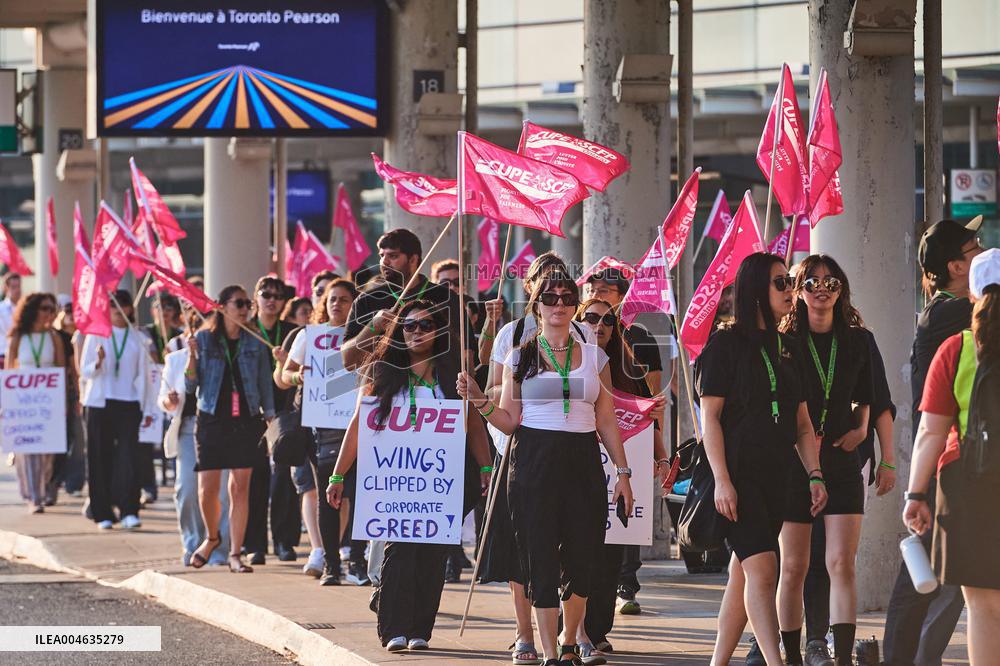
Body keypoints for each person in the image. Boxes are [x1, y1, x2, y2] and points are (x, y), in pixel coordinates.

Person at [457, 271, 635, 666]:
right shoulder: (520, 356)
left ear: (575, 305)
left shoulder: (595, 355)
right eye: (550, 298)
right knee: (538, 554)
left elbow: (606, 419)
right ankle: (550, 651)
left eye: (567, 298)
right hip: (533, 457)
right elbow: (509, 421)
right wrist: (478, 401)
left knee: (583, 552)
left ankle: (572, 640)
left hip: (583, 458)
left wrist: (623, 474)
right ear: (536, 305)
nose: (559, 304)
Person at [327, 299, 492, 652]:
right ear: (399, 331)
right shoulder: (382, 371)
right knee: (399, 551)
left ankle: (420, 630)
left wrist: (486, 466)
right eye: (409, 326)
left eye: (425, 325)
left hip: (441, 483)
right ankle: (393, 630)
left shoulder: (455, 376)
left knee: (433, 555)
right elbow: (358, 426)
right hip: (397, 484)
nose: (417, 332)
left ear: (438, 331)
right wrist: (337, 476)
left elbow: (474, 425)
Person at [696, 253, 827, 666]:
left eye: (790, 281)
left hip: (780, 475)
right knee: (764, 570)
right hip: (738, 475)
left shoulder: (790, 347)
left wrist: (815, 474)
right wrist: (722, 479)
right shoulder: (725, 344)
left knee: (745, 572)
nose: (790, 290)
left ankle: (718, 662)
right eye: (781, 282)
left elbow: (803, 424)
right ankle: (777, 661)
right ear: (755, 289)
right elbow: (710, 419)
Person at [474, 252, 594, 665]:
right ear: (532, 291)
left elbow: (598, 392)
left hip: (576, 453)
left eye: (565, 288)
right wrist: (494, 406)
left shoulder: (584, 335)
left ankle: (574, 636)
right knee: (524, 546)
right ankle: (525, 633)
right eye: (546, 285)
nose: (557, 297)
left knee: (580, 544)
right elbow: (494, 389)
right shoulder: (512, 334)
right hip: (523, 449)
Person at [883, 217, 984, 665]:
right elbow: (931, 422)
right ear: (956, 267)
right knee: (923, 580)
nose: (981, 250)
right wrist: (917, 490)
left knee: (953, 586)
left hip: (958, 463)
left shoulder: (952, 311)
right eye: (974, 247)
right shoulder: (952, 315)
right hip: (951, 465)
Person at [776, 255, 874, 666]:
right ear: (798, 290)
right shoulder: (785, 342)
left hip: (840, 458)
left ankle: (843, 654)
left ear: (841, 289)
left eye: (830, 281)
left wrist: (862, 427)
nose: (821, 287)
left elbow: (870, 392)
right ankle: (792, 654)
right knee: (794, 566)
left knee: (840, 563)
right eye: (811, 281)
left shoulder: (857, 339)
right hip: (795, 462)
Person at [904, 249, 1000, 666]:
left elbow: (931, 432)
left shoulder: (956, 349)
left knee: (982, 609)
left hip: (966, 486)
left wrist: (914, 494)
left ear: (973, 295)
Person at [574, 297, 669, 662]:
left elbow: (647, 418)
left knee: (610, 556)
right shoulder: (563, 364)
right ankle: (576, 630)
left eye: (607, 320)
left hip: (621, 477)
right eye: (591, 318)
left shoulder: (628, 369)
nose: (599, 326)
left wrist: (661, 455)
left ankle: (597, 631)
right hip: (576, 471)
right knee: (579, 552)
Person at [585, 266, 676, 616]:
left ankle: (626, 585)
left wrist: (659, 454)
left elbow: (650, 402)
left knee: (625, 518)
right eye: (593, 288)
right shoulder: (569, 347)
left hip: (628, 447)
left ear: (621, 297)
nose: (599, 293)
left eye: (607, 290)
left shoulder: (639, 341)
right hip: (584, 453)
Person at [185, 285, 275, 573]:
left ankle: (236, 553)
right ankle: (212, 537)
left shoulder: (255, 341)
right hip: (211, 418)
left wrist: (270, 419)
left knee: (240, 487)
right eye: (239, 303)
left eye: (247, 303)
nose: (245, 308)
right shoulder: (204, 339)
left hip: (246, 419)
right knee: (206, 488)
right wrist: (191, 358)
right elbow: (190, 385)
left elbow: (264, 384)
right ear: (222, 307)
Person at [278, 278, 361, 585]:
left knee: (355, 495)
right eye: (331, 299)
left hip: (356, 426)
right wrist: (297, 376)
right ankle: (331, 565)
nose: (336, 304)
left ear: (355, 304)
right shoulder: (308, 337)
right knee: (328, 496)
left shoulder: (365, 338)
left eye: (343, 299)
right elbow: (283, 376)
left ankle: (355, 560)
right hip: (321, 429)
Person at [80, 290, 157, 530]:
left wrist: (147, 407)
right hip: (100, 403)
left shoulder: (137, 337)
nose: (119, 311)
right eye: (114, 307)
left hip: (129, 403)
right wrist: (98, 363)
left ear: (131, 308)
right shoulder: (96, 333)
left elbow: (145, 374)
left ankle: (129, 510)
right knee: (99, 457)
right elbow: (85, 371)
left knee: (129, 458)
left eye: (123, 306)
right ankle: (102, 512)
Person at [159, 340, 230, 567]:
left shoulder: (224, 353)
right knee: (187, 489)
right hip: (188, 430)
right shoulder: (175, 359)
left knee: (221, 493)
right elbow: (162, 399)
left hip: (220, 427)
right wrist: (169, 402)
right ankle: (192, 543)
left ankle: (219, 549)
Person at [247, 276, 297, 565]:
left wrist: (285, 361)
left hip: (284, 413)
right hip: (253, 415)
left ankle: (284, 541)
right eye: (266, 293)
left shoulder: (291, 332)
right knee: (255, 481)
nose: (271, 299)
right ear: (257, 297)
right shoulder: (246, 331)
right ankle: (256, 545)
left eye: (277, 295)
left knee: (284, 481)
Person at [4, 293, 66, 513]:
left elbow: (61, 369)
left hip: (48, 402)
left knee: (47, 452)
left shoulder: (53, 337)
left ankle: (44, 485)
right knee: (28, 451)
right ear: (33, 311)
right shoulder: (19, 337)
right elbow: (10, 370)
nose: (49, 314)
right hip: (25, 402)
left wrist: (65, 402)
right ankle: (33, 496)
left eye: (52, 309)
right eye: (45, 309)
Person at [0, 272, 23, 366]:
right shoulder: (1, 309)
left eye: (19, 286)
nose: (17, 290)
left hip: (22, 355)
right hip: (4, 354)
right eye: (13, 287)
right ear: (6, 288)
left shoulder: (26, 308)